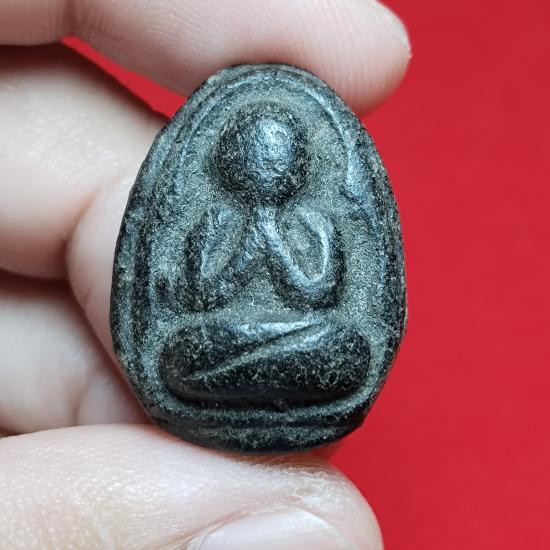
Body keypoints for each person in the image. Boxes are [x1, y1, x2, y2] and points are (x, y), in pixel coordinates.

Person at [0, 1, 410, 548]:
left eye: (279, 160)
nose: (268, 171)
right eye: (256, 159)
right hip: (221, 338)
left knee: (344, 345)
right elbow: (205, 296)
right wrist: (249, 236)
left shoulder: (316, 225)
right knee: (182, 352)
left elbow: (315, 292)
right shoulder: (213, 224)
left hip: (305, 335)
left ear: (297, 165)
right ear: (232, 163)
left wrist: (271, 232)